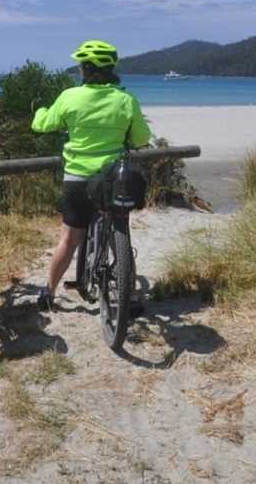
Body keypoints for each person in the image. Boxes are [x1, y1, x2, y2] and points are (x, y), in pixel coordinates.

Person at [31, 39, 152, 308]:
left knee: (69, 238)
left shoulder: (70, 97)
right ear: (111, 70)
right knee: (119, 230)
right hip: (113, 179)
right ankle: (129, 297)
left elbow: (43, 124)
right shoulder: (125, 100)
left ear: (84, 69)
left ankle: (48, 293)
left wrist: (39, 110)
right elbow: (142, 138)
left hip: (77, 179)